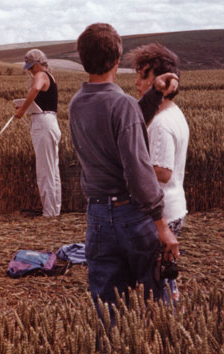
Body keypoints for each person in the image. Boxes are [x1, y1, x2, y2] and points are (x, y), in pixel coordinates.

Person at [67, 23, 181, 316]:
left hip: (97, 217)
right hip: (131, 216)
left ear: (83, 60)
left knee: (107, 307)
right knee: (155, 302)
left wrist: (154, 94)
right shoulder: (123, 105)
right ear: (117, 61)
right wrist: (161, 226)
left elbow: (122, 121)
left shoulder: (77, 104)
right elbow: (139, 173)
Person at [126, 43, 189, 303]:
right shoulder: (174, 114)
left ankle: (166, 330)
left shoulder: (161, 124)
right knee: (164, 279)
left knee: (157, 284)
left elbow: (162, 172)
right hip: (174, 208)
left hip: (162, 214)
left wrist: (129, 165)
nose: (137, 83)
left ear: (159, 80)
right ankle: (169, 328)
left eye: (143, 75)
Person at [14, 49, 62, 217]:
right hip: (51, 122)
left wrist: (22, 109)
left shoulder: (40, 75)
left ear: (38, 64)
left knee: (44, 170)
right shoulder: (50, 76)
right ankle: (54, 210)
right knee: (52, 169)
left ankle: (49, 213)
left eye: (31, 66)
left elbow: (35, 89)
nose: (30, 70)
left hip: (43, 123)